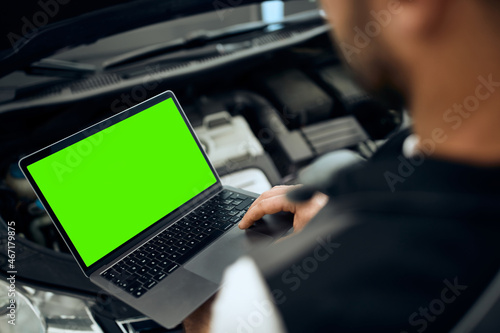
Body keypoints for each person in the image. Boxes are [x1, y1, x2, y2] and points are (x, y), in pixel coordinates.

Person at [183, 0, 500, 332]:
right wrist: (331, 222)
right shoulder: (415, 149)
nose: (326, 11)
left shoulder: (273, 304)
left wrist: (206, 306)